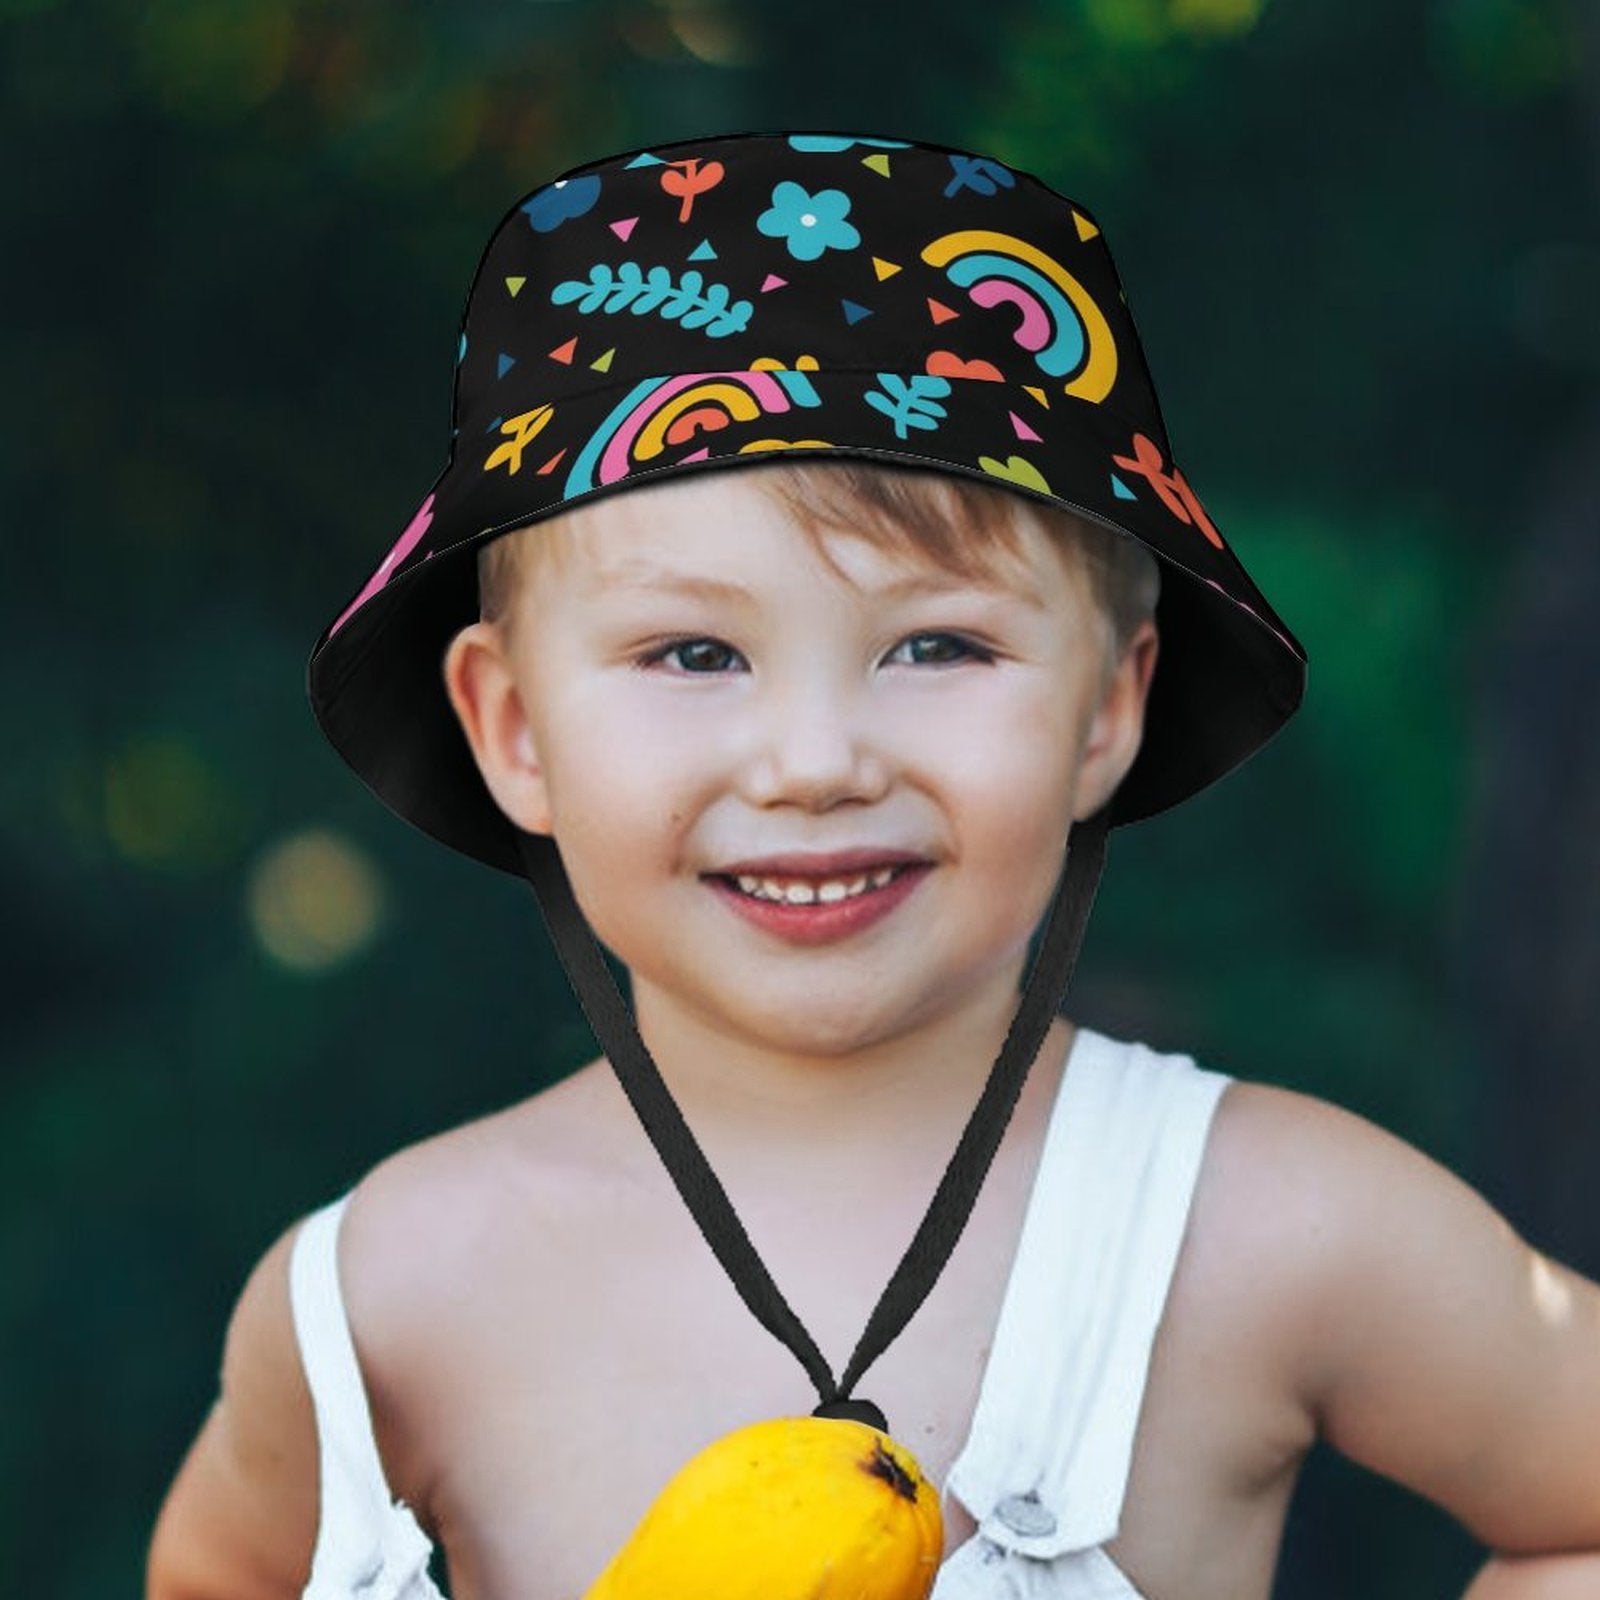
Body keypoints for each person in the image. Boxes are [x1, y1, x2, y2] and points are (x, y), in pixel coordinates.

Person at [145, 130, 1600, 1600]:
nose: (815, 760)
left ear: (1107, 710)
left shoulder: (1269, 1225)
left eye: (937, 646)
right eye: (694, 652)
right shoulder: (390, 1295)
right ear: (514, 729)